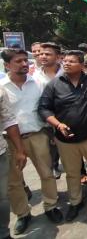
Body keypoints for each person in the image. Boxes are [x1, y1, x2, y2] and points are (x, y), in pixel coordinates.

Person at [38, 50, 87, 222]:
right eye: (65, 60)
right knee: (73, 173)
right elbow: (43, 109)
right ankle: (75, 202)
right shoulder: (54, 84)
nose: (66, 63)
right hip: (66, 141)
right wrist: (58, 124)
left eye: (72, 61)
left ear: (82, 66)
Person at [0, 49, 63, 234]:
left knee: (47, 173)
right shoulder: (2, 87)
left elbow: (47, 108)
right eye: (18, 61)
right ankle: (22, 214)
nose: (24, 64)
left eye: (25, 60)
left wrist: (52, 133)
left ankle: (50, 206)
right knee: (14, 182)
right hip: (10, 140)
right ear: (7, 65)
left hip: (38, 135)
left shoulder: (38, 83)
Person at [33, 42, 64, 179]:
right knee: (50, 151)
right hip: (45, 121)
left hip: (66, 118)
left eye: (47, 54)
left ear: (58, 57)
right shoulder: (34, 76)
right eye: (41, 54)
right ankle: (54, 166)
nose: (43, 56)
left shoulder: (68, 72)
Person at [0, 86, 27, 239]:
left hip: (0, 153)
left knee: (2, 198)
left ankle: (3, 233)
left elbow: (9, 120)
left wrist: (19, 150)